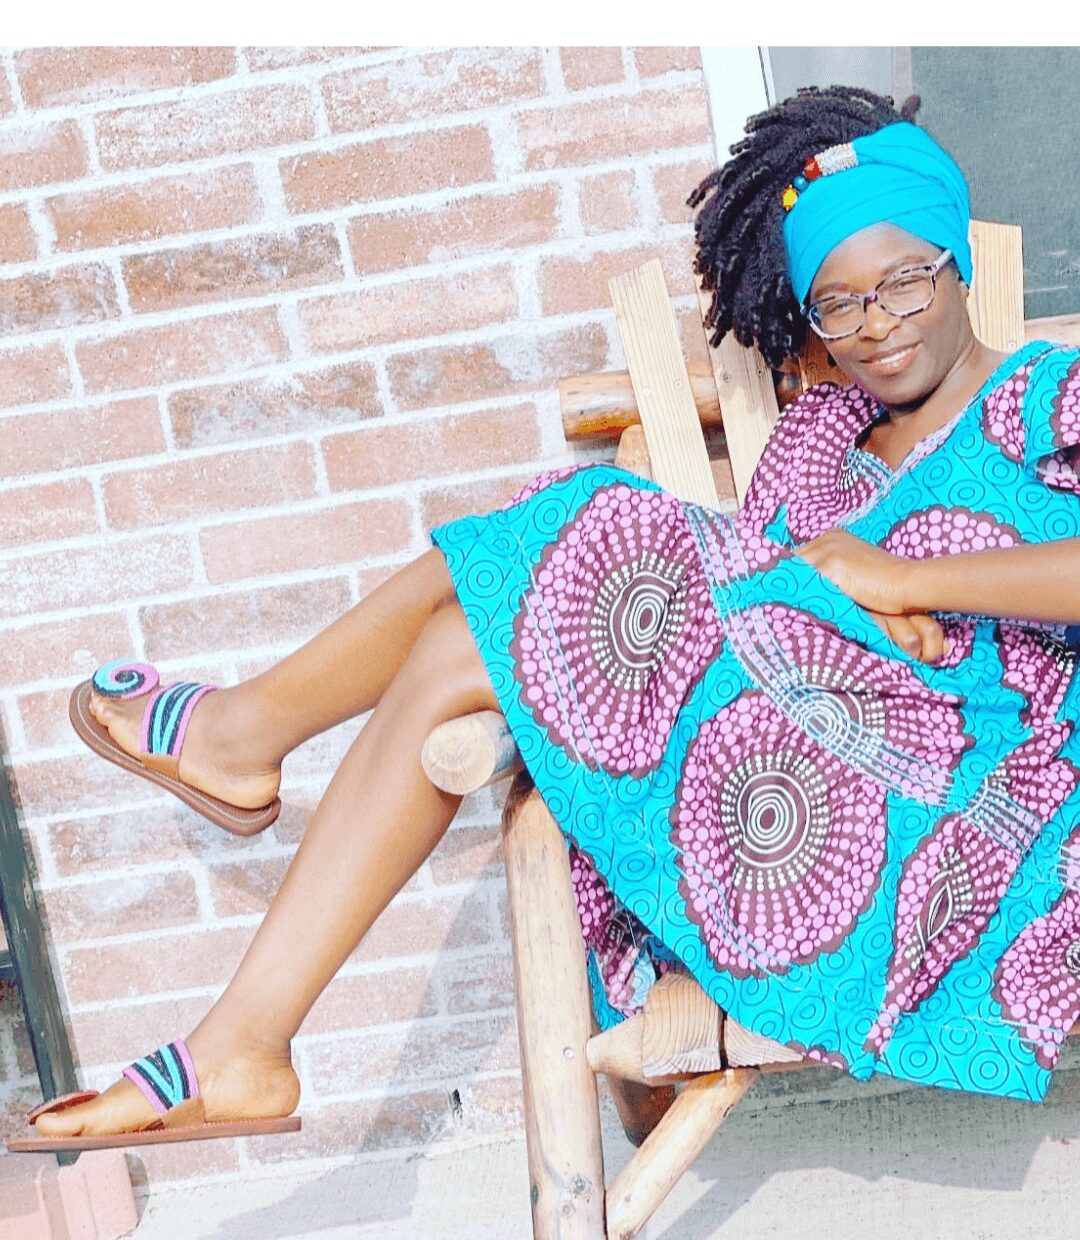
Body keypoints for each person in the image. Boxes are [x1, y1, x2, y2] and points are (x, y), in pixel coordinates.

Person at [14, 84, 1080, 1150]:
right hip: (775, 790)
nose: (876, 326)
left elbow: (810, 597)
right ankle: (243, 1044)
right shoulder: (819, 441)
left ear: (957, 263)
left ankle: (242, 745)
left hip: (949, 820)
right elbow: (759, 622)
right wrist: (848, 609)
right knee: (467, 641)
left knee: (594, 514)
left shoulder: (1048, 395)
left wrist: (911, 583)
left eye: (905, 282)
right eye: (835, 305)